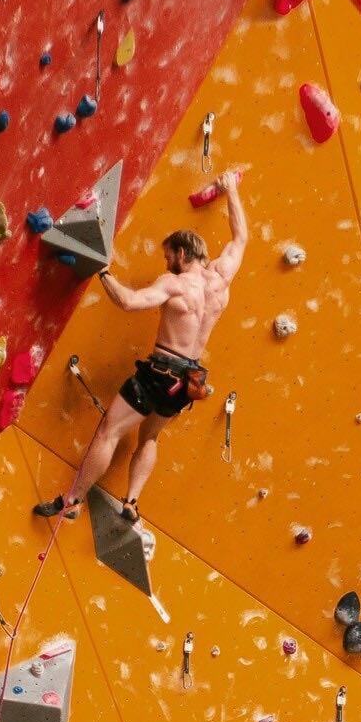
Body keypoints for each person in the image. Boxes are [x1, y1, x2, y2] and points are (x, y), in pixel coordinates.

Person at [34, 170, 247, 523]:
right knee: (149, 438)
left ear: (181, 253)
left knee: (110, 430)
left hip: (161, 373)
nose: (167, 264)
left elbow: (130, 302)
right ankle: (131, 502)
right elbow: (240, 239)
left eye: (169, 257)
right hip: (188, 382)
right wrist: (231, 191)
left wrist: (103, 272)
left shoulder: (176, 285)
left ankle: (73, 500)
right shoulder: (222, 279)